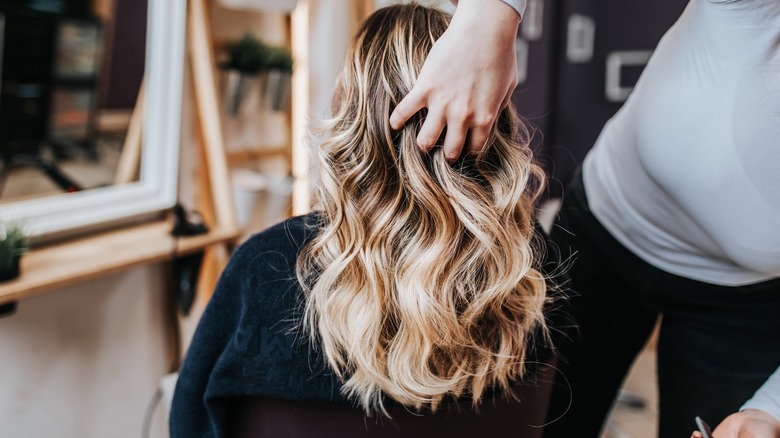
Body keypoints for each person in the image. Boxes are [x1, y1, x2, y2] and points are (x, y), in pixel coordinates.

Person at [170, 4, 563, 437]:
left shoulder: (267, 267)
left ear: (352, 114)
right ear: (489, 108)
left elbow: (191, 423)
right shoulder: (530, 261)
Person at [391, 0, 780, 437]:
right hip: (605, 229)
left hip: (747, 303)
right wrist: (490, 17)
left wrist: (769, 409)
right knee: (545, 424)